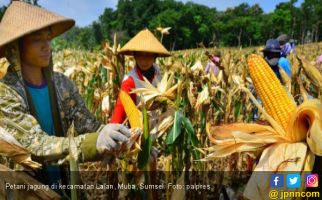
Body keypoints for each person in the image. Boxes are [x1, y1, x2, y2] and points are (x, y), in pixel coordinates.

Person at [0, 1, 133, 195]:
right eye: (37, 40)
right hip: (27, 189)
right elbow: (36, 145)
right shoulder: (6, 93)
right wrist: (93, 143)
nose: (47, 46)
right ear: (16, 47)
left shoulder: (62, 84)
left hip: (67, 183)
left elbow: (90, 126)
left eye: (48, 38)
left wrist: (129, 142)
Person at [111, 29, 170, 124]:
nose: (143, 61)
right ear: (134, 55)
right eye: (139, 55)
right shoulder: (129, 81)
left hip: (159, 125)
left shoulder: (158, 71)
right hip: (138, 129)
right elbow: (120, 110)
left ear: (155, 56)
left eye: (148, 56)